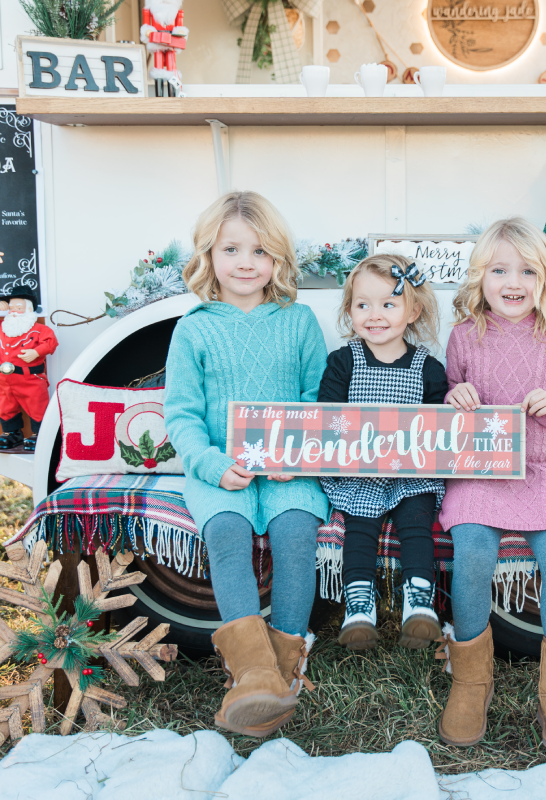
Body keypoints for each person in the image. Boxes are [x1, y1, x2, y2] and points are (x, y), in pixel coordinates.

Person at [164, 191, 328, 737]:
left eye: (259, 252)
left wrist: (294, 454)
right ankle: (252, 674)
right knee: (229, 533)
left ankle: (283, 670)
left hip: (288, 468)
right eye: (231, 249)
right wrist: (211, 465)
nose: (245, 262)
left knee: (296, 533)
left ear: (277, 260)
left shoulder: (299, 320)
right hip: (221, 468)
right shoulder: (194, 328)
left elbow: (316, 399)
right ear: (209, 255)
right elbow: (182, 414)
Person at [438, 217, 546, 754]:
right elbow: (449, 394)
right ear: (480, 278)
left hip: (543, 471)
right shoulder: (466, 336)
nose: (514, 281)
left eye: (527, 270)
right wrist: (456, 397)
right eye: (500, 269)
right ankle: (471, 681)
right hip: (480, 473)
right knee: (472, 551)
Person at [317, 254, 448, 651]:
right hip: (359, 472)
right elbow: (326, 417)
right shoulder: (343, 362)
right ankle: (359, 605)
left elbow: (443, 431)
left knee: (416, 520)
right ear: (350, 310)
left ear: (413, 311)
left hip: (412, 473)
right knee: (360, 526)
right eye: (362, 305)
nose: (374, 315)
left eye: (388, 304)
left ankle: (419, 600)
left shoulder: (429, 367)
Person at [0, 292, 58, 452]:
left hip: (29, 377)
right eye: (10, 307)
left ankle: (40, 434)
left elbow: (51, 342)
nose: (13, 311)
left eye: (19, 307)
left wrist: (36, 352)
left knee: (37, 405)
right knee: (5, 407)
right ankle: (12, 433)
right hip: (4, 379)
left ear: (29, 308)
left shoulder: (39, 329)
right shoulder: (3, 328)